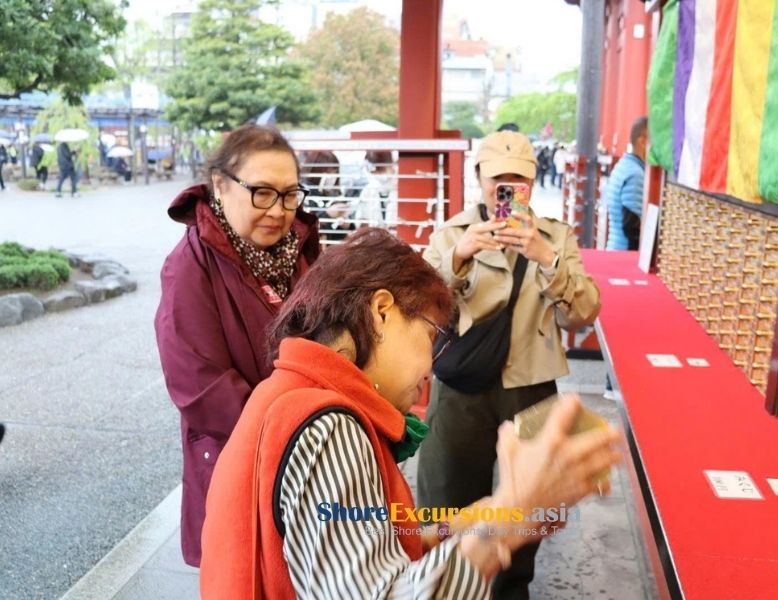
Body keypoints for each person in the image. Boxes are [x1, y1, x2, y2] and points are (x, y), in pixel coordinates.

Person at [200, 227, 622, 598]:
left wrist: (476, 521)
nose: (429, 367)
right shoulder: (328, 425)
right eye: (430, 335)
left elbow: (355, 554)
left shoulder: (283, 392)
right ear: (381, 312)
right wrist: (518, 508)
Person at [417, 130, 602, 599]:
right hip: (462, 383)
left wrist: (545, 258)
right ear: (478, 178)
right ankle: (446, 587)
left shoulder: (555, 236)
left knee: (531, 503)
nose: (506, 191)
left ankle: (511, 590)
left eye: (517, 181)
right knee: (445, 499)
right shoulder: (452, 233)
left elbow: (583, 312)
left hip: (531, 380)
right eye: (498, 179)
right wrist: (459, 257)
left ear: (532, 182)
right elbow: (417, 302)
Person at [154, 124, 321, 567]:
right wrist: (296, 431)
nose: (279, 210)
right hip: (242, 462)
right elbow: (200, 387)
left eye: (289, 194)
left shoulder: (300, 252)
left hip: (306, 461)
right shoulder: (189, 266)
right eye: (262, 192)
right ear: (220, 187)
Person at [603, 117, 648, 251]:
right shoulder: (635, 174)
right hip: (624, 252)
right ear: (642, 142)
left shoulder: (623, 166)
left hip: (614, 247)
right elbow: (632, 227)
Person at [299, 150, 353, 244]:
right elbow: (304, 226)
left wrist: (346, 225)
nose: (332, 177)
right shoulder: (303, 194)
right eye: (328, 172)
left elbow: (335, 235)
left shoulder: (334, 194)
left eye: (334, 172)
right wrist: (327, 214)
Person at [352, 150, 398, 230]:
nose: (379, 175)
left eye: (382, 169)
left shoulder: (402, 188)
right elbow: (361, 222)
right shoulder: (368, 191)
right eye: (375, 172)